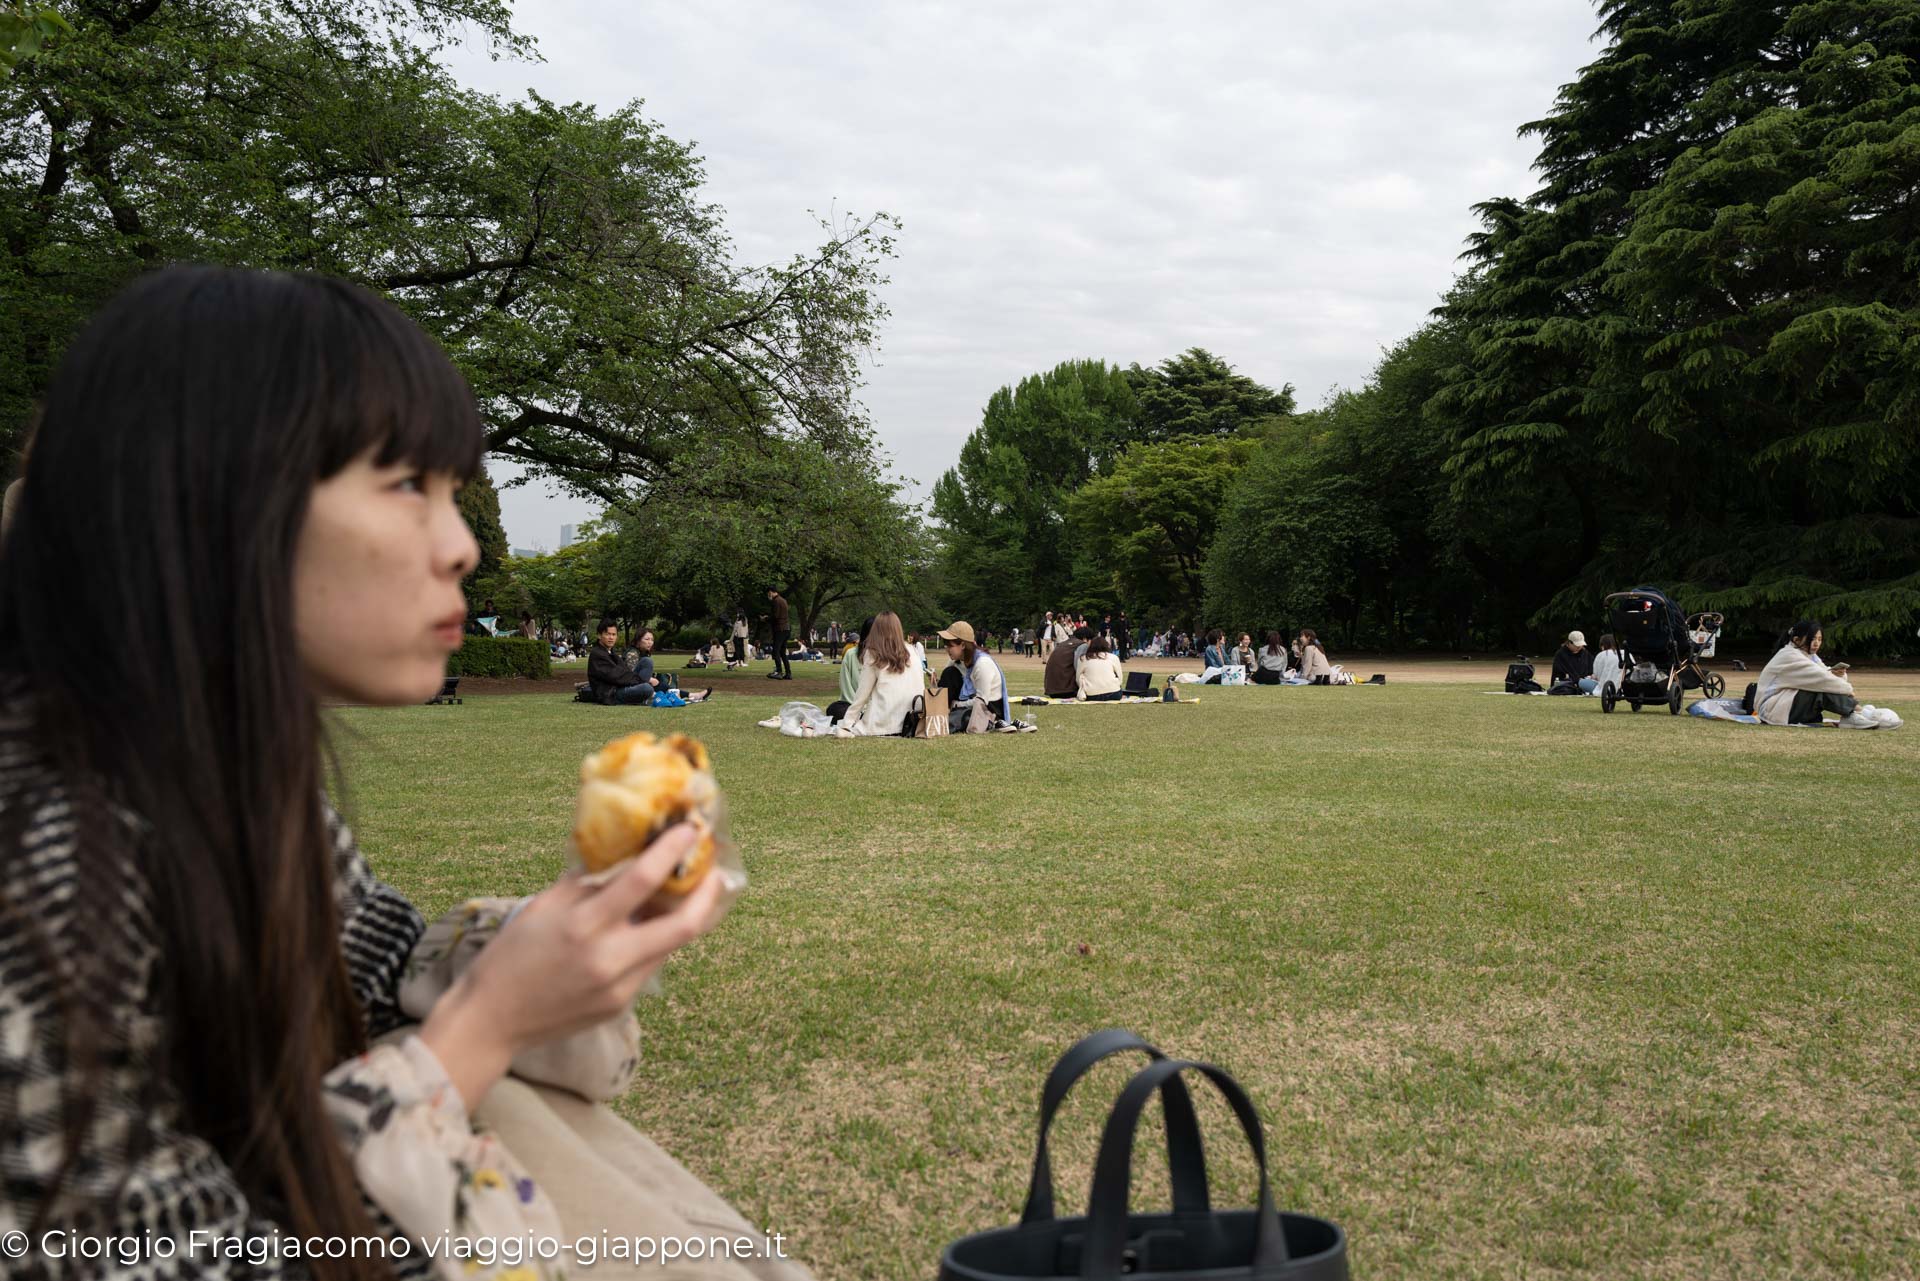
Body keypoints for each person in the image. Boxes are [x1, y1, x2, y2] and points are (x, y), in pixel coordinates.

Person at [0, 266, 803, 1281]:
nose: (463, 546)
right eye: (406, 486)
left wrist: (569, 933)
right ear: (210, 497)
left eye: (456, 494)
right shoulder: (44, 847)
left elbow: (380, 971)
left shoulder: (225, 771)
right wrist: (488, 1021)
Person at [835, 613, 925, 736]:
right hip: (912, 720)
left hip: (883, 723)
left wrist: (846, 724)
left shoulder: (873, 653)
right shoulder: (913, 651)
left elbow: (862, 694)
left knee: (835, 709)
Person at [1755, 619, 1861, 725]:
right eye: (1812, 639)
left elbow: (1825, 674)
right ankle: (1856, 713)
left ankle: (1855, 713)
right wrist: (1848, 690)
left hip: (1785, 705)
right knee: (1820, 690)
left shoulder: (1810, 656)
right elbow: (1822, 679)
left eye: (1819, 639)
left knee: (1822, 686)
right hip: (1772, 710)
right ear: (1796, 640)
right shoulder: (1789, 656)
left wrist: (1839, 675)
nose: (1816, 643)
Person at [935, 621, 1009, 732]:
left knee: (961, 717)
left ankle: (946, 718)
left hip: (988, 708)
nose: (946, 649)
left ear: (963, 645)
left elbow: (982, 700)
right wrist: (934, 682)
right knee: (949, 673)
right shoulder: (956, 660)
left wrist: (956, 705)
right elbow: (946, 685)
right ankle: (938, 714)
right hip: (968, 702)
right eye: (945, 644)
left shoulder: (982, 663)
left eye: (950, 645)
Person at [1078, 635, 1126, 700]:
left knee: (1082, 676)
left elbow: (1078, 677)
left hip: (1091, 694)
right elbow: (1120, 678)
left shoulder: (1083, 659)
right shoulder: (1113, 657)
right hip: (1114, 693)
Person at [1043, 625, 1081, 698]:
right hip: (1067, 691)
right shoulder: (1081, 645)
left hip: (1051, 690)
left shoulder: (1061, 645)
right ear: (1085, 638)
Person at [766, 587, 791, 680]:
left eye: (769, 593)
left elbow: (775, 616)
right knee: (782, 652)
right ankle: (788, 673)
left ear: (771, 592)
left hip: (780, 629)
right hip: (786, 628)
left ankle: (779, 672)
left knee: (776, 651)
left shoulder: (776, 601)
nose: (769, 595)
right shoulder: (783, 600)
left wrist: (766, 618)